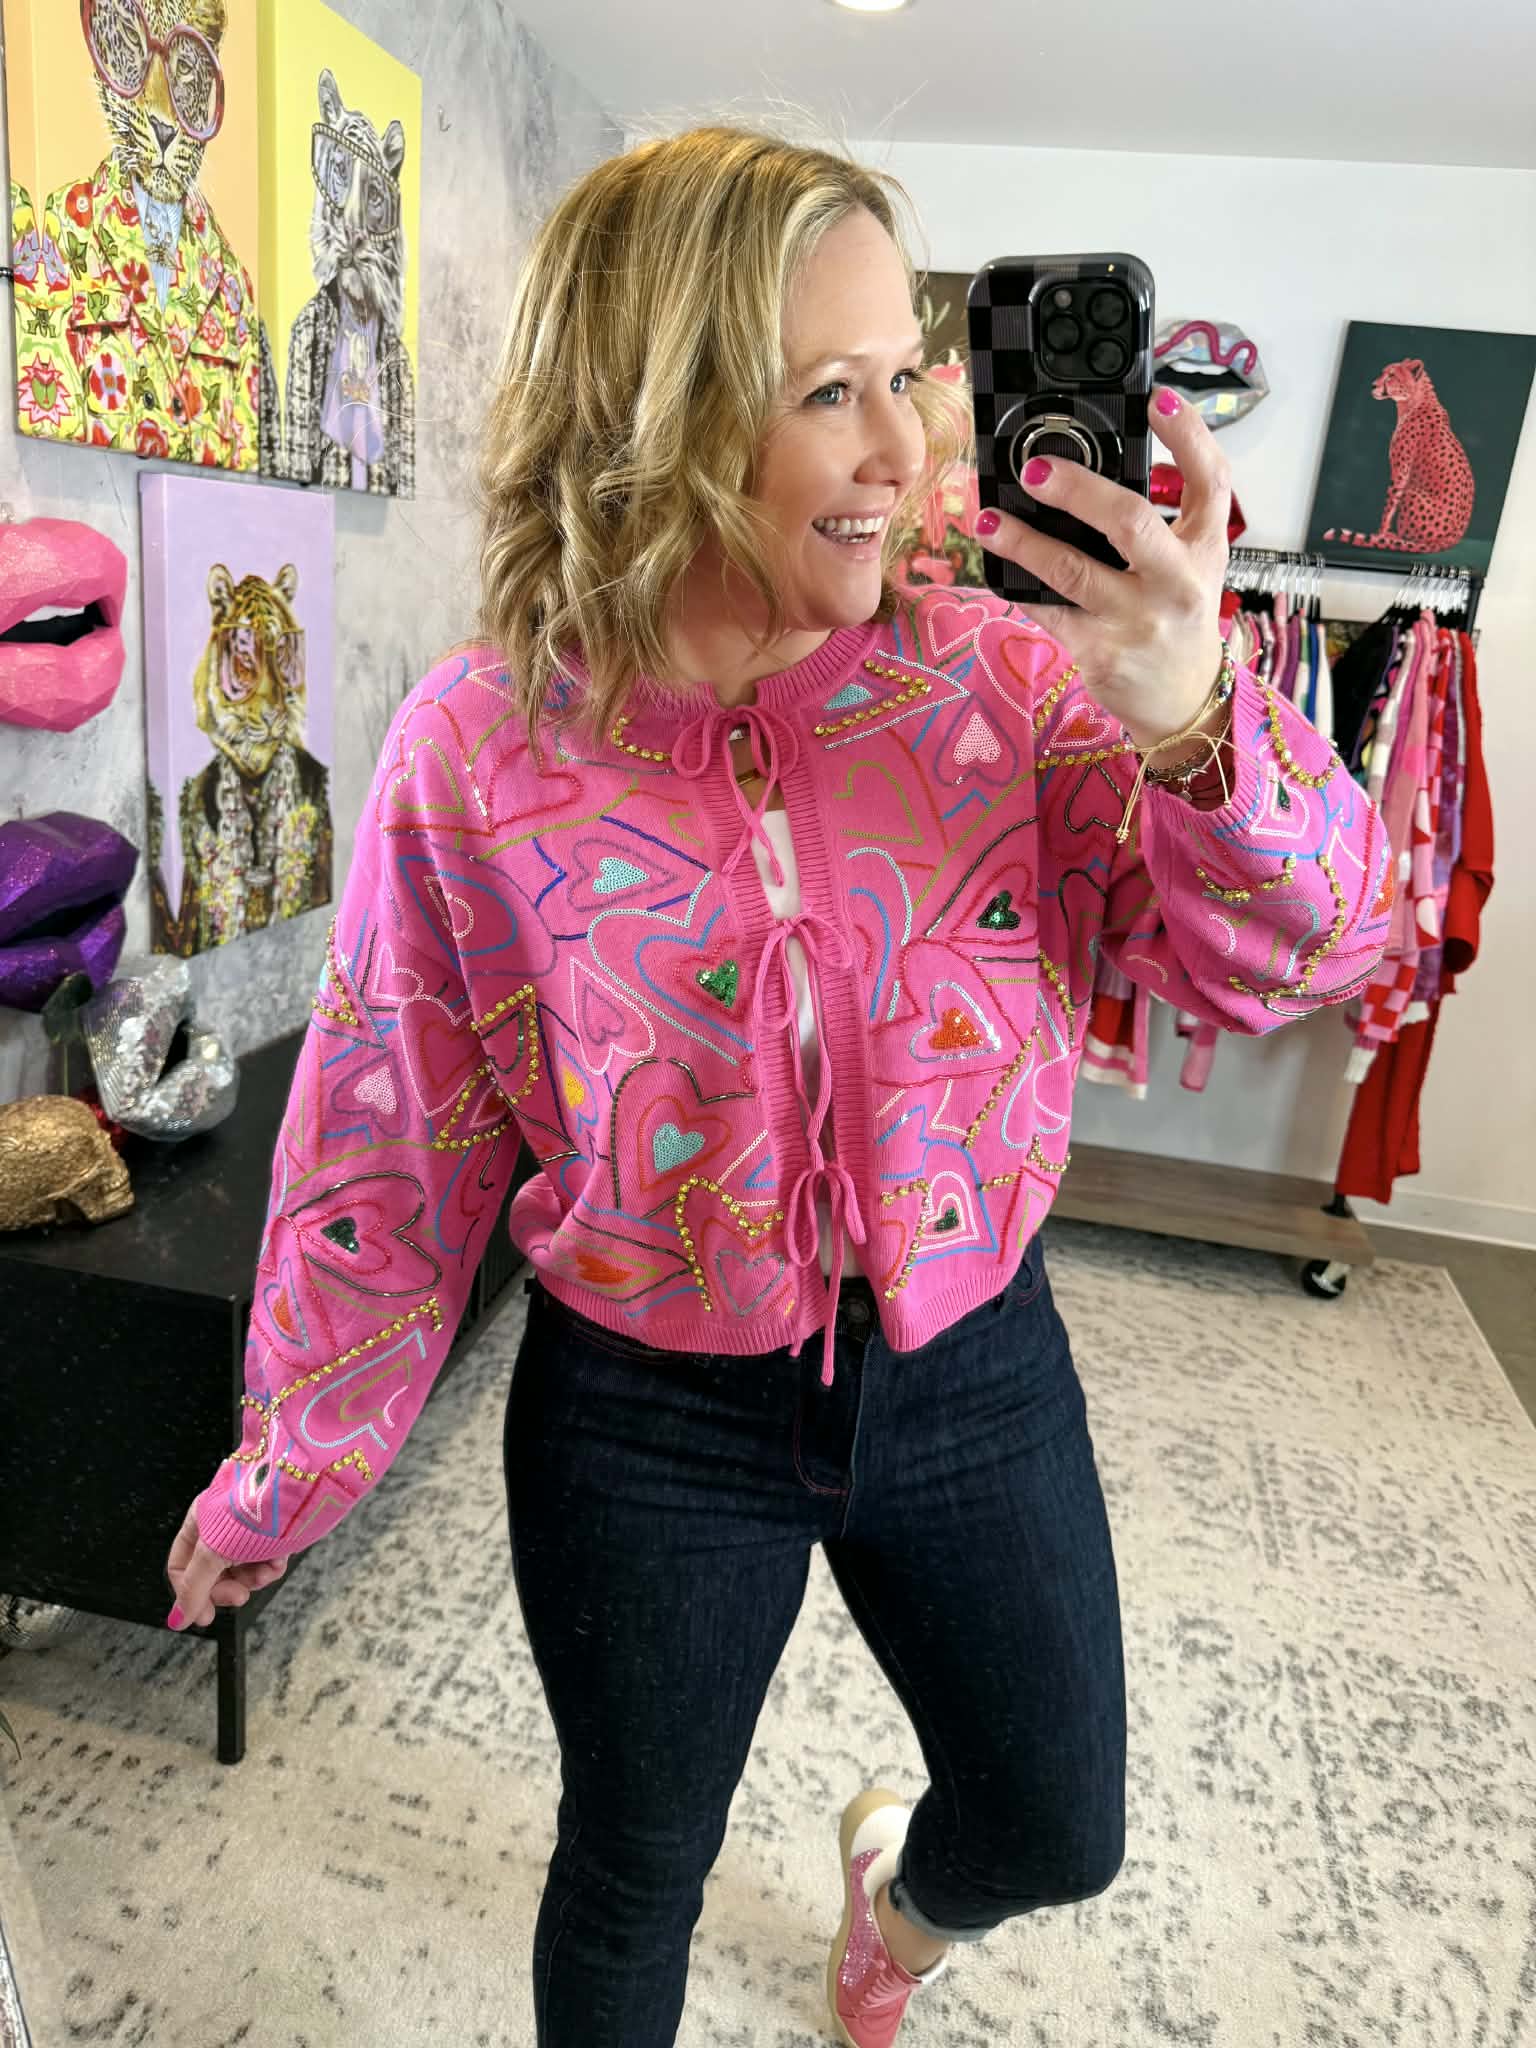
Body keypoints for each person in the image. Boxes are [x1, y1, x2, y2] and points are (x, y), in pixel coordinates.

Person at [166, 128, 1392, 2048]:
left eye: (911, 372)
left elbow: (1317, 954)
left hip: (974, 1365)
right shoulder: (481, 746)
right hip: (643, 1410)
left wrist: (1192, 721)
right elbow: (390, 1136)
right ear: (652, 414)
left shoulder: (1009, 683)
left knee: (1059, 1824)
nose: (911, 447)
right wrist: (288, 1464)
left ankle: (895, 1908)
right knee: (630, 1872)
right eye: (833, 390)